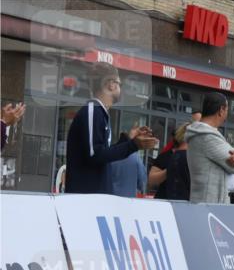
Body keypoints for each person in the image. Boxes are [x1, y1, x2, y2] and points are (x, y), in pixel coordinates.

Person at [65, 62, 158, 194]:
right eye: (119, 84)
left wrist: (127, 140)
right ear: (111, 84)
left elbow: (102, 155)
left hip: (93, 197)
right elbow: (95, 155)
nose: (120, 88)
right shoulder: (93, 110)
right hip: (86, 198)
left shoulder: (99, 112)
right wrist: (133, 145)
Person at [185, 92, 234, 204]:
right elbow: (233, 167)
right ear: (221, 110)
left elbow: (233, 153)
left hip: (202, 201)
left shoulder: (201, 134)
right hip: (210, 205)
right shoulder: (207, 137)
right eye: (227, 110)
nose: (227, 115)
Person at [149, 123, 191, 201]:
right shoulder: (166, 156)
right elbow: (151, 181)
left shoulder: (195, 158)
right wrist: (170, 170)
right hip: (165, 201)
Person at [108, 132, 147, 197]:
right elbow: (142, 183)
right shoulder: (136, 158)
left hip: (110, 197)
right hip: (128, 199)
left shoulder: (110, 155)